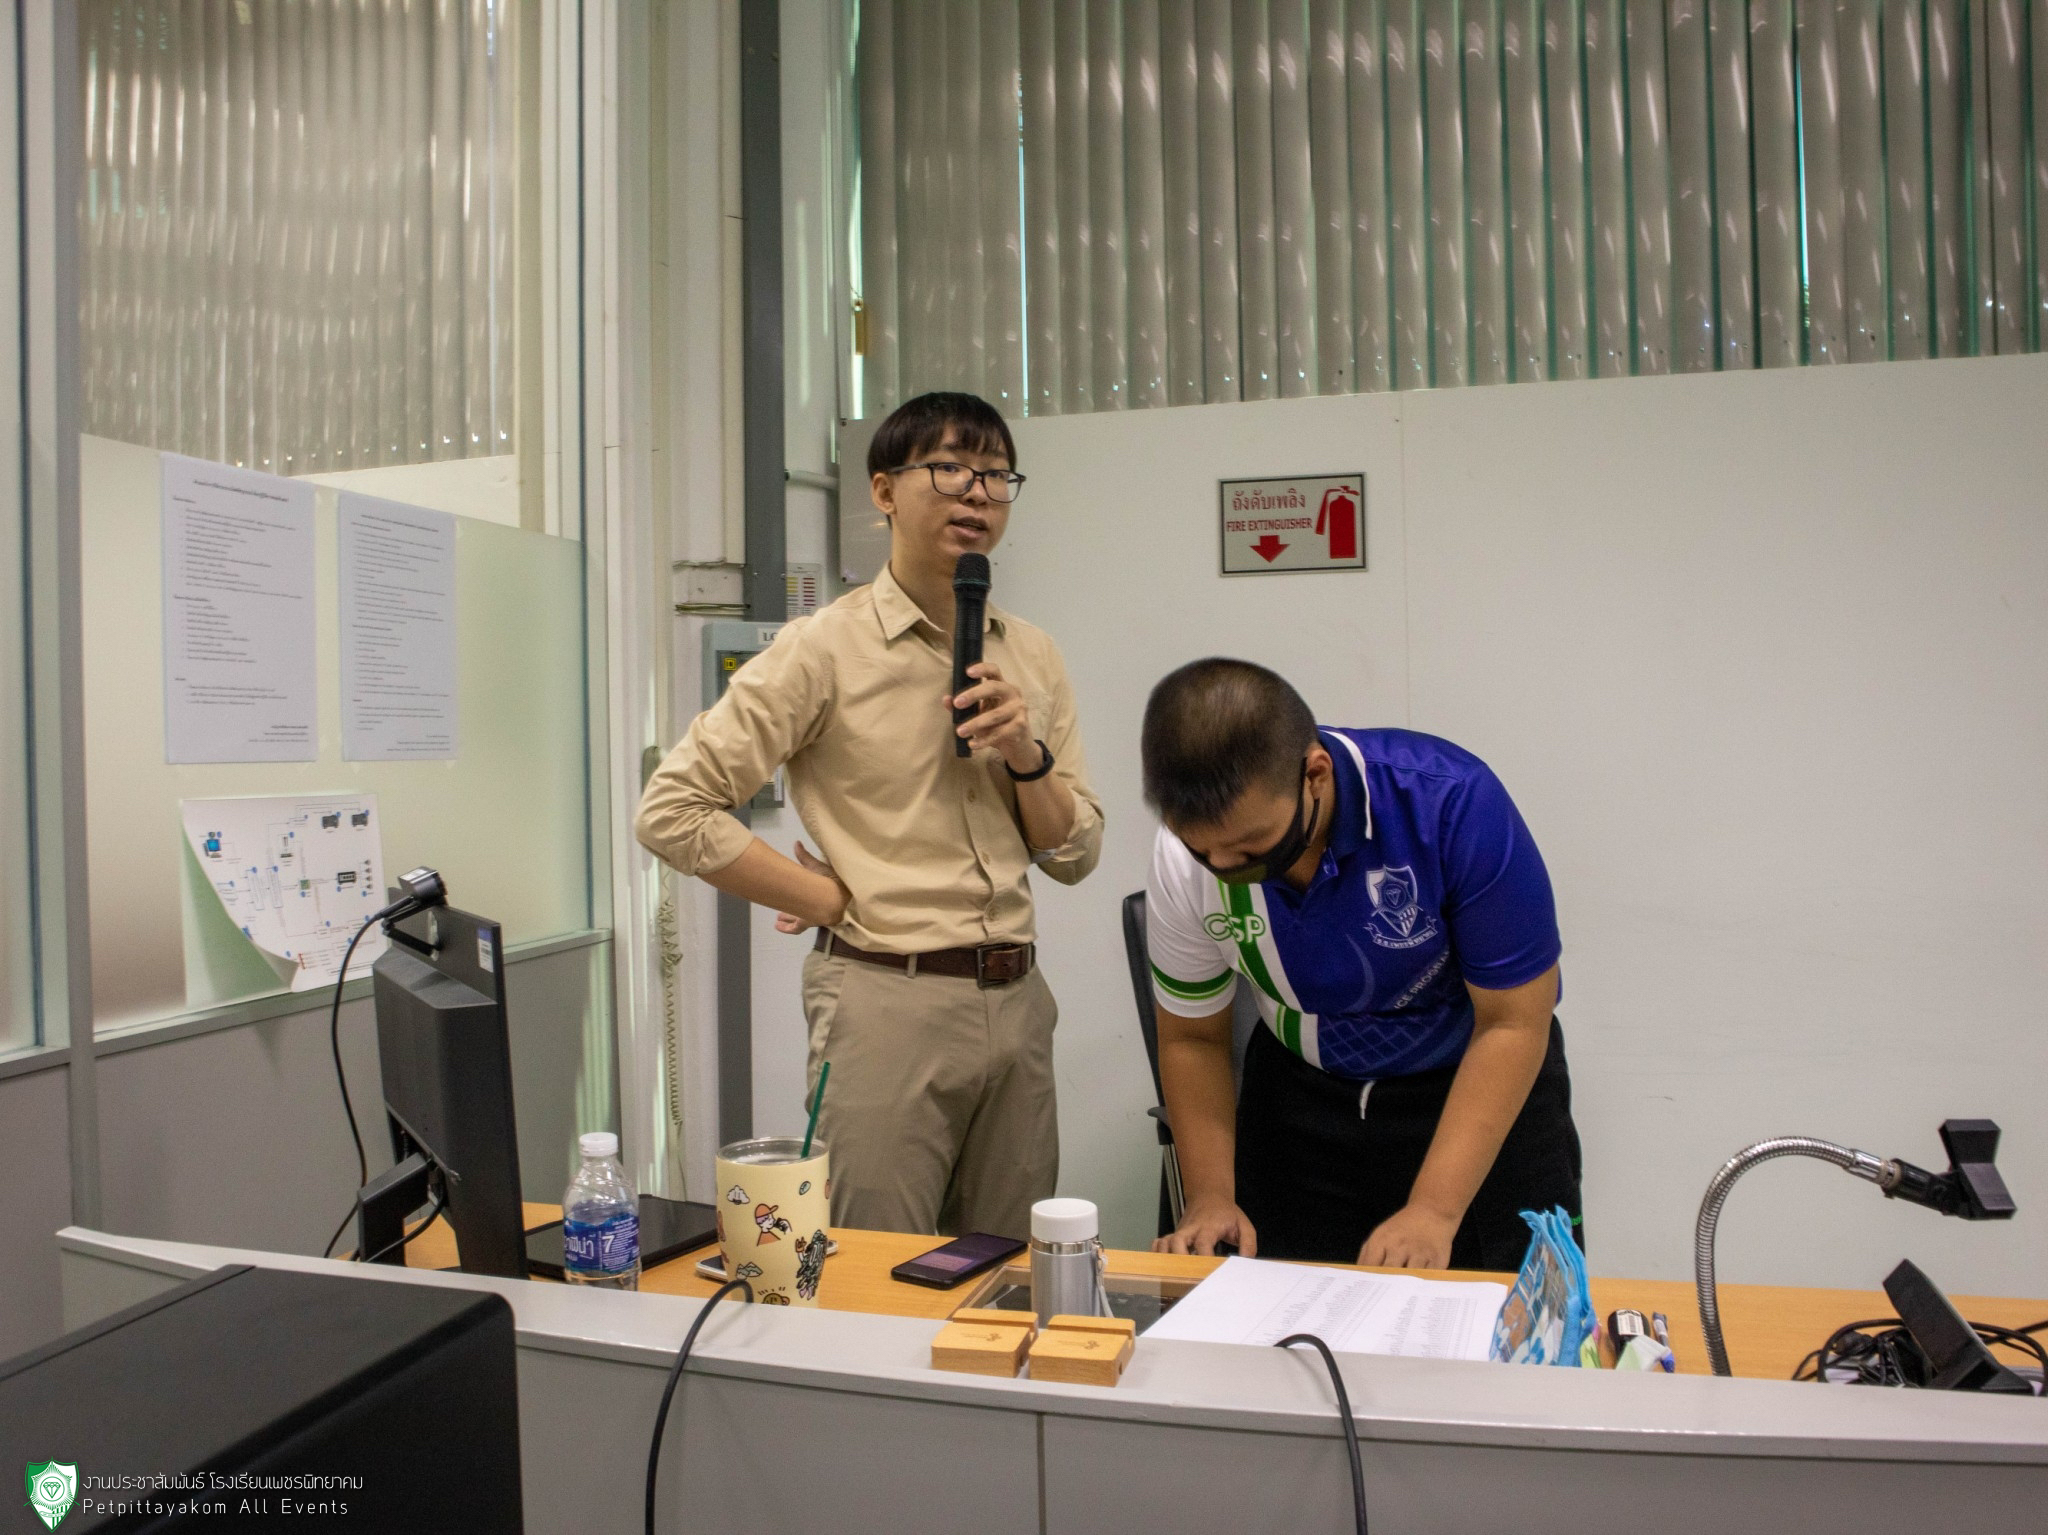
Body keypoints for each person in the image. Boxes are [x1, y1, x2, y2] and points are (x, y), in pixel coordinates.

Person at [636, 391, 1103, 1241]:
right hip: (886, 997)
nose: (977, 493)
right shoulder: (823, 647)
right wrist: (824, 898)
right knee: (875, 1271)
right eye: (950, 468)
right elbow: (671, 808)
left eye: (996, 475)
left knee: (1009, 1270)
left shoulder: (1033, 653)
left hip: (1019, 1000)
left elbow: (1075, 854)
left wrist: (1024, 752)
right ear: (883, 491)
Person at [1139, 657, 1581, 1270]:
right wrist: (1210, 1196)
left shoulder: (1451, 803)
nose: (1224, 865)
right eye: (1201, 849)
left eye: (1251, 846)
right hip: (1302, 1095)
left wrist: (1434, 1210)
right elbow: (1193, 1038)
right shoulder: (1182, 857)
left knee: (1501, 1309)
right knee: (1286, 1308)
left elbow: (1514, 1021)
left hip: (1469, 1086)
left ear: (1315, 775)